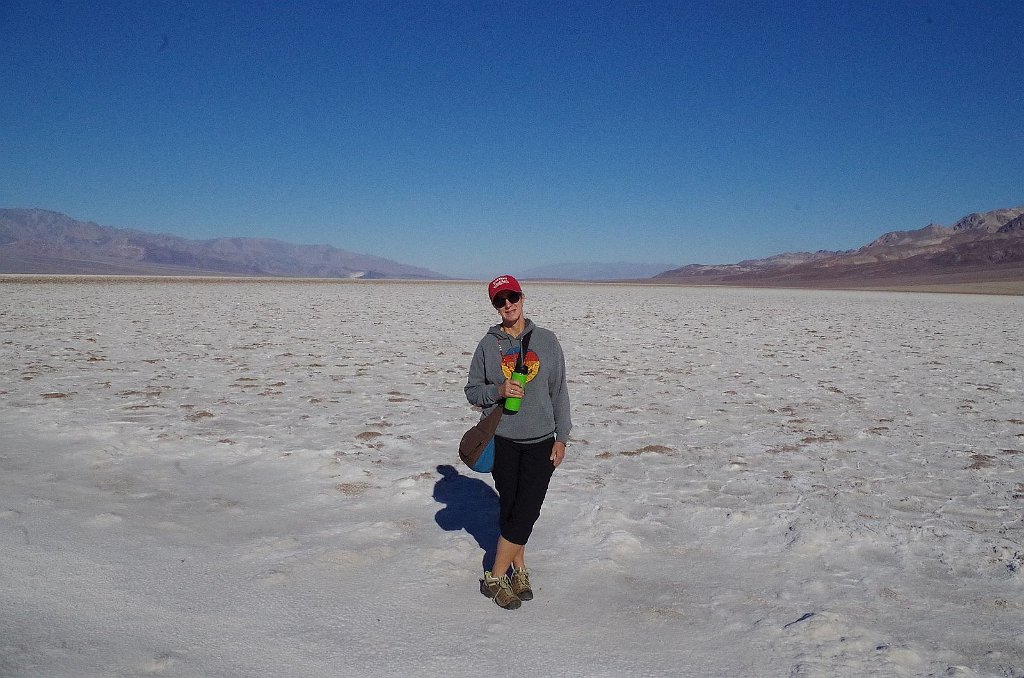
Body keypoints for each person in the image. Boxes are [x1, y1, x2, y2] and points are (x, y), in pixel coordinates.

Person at [464, 274, 571, 610]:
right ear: (495, 306)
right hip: (505, 441)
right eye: (500, 300)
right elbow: (472, 391)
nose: (507, 305)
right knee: (512, 509)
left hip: (541, 441)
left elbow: (559, 391)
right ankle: (519, 568)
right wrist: (498, 390)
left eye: (512, 297)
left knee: (528, 510)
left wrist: (562, 437)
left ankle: (494, 576)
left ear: (523, 298)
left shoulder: (548, 341)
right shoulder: (488, 345)